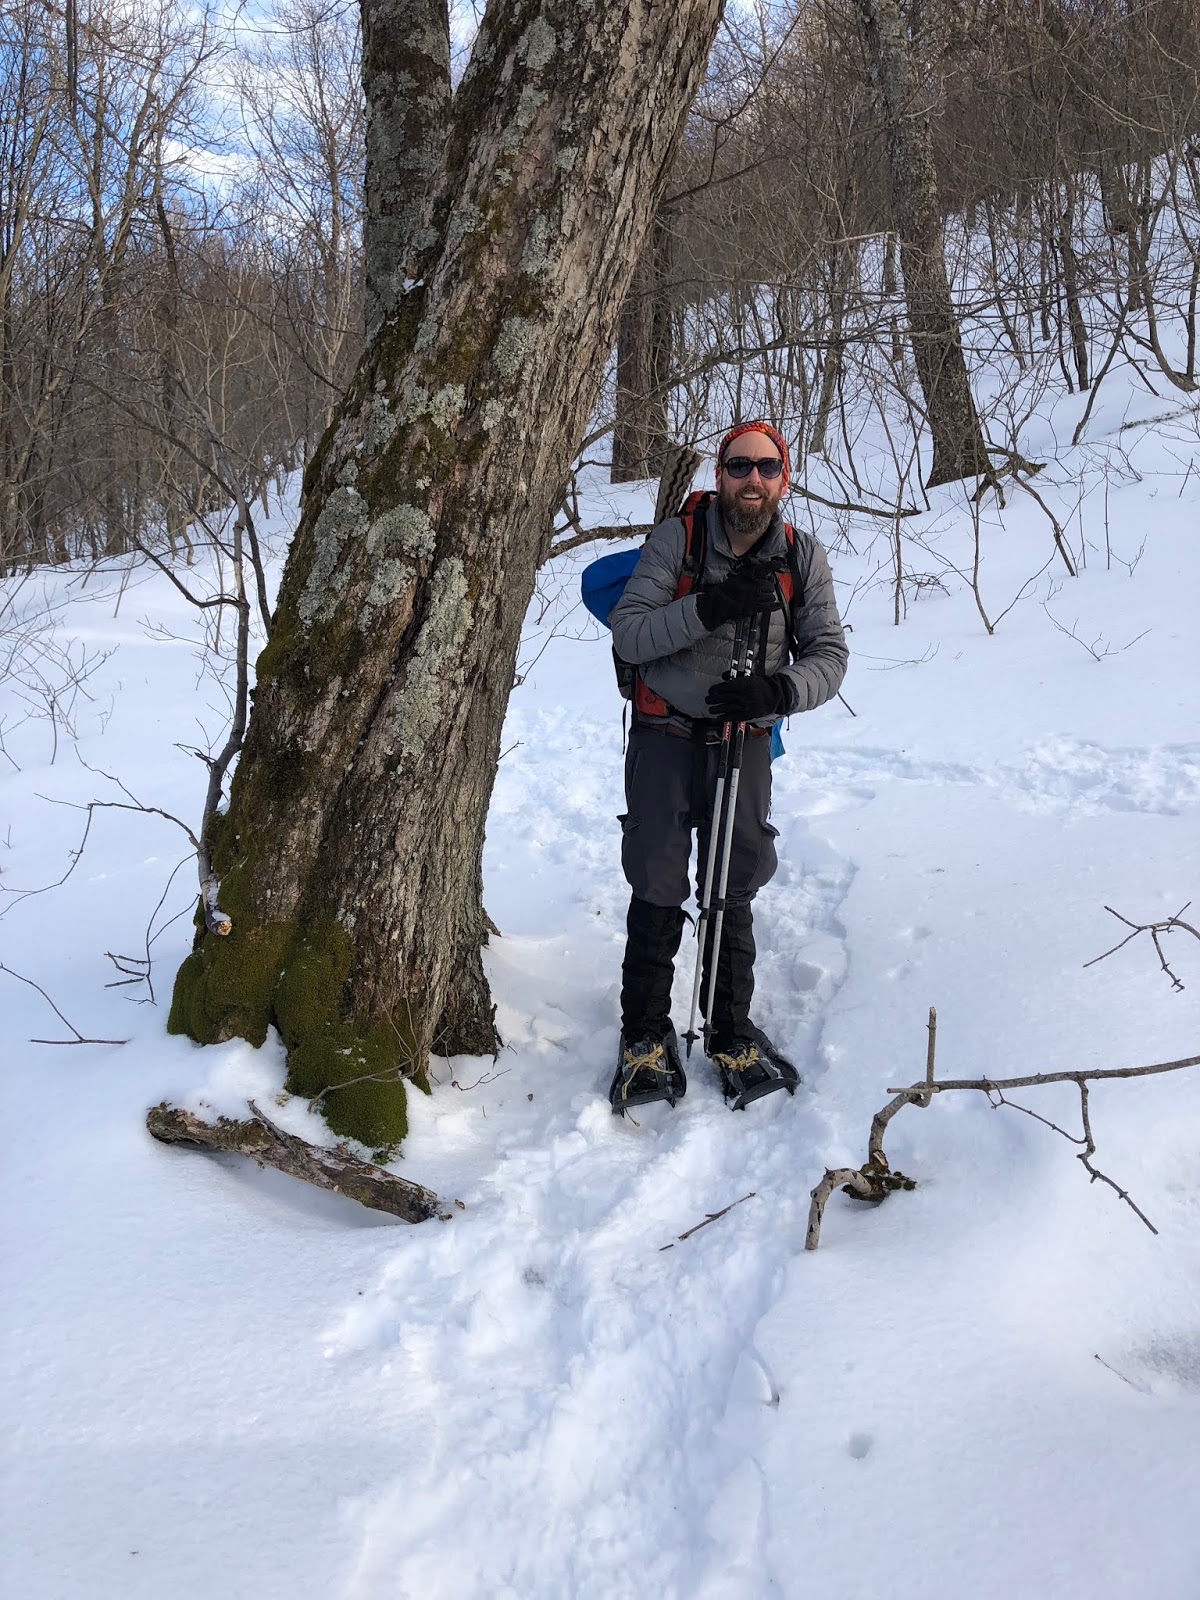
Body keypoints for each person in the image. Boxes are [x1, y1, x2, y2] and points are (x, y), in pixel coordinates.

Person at [607, 420, 848, 1111]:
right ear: (720, 475)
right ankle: (644, 1033)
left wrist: (780, 692)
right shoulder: (677, 540)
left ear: (784, 478)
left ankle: (730, 1030)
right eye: (739, 466)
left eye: (766, 467)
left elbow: (829, 655)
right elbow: (631, 631)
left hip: (744, 735)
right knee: (656, 873)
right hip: (665, 730)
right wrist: (708, 607)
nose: (752, 479)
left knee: (734, 875)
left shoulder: (801, 555)